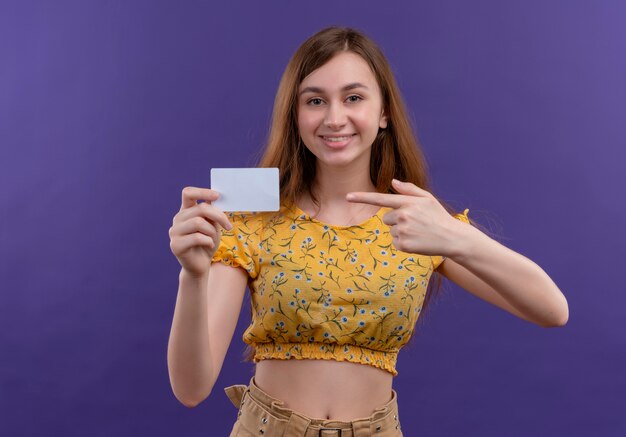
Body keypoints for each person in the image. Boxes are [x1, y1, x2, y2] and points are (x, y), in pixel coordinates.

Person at [167, 26, 568, 436]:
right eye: (315, 101)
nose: (334, 118)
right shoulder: (252, 220)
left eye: (353, 98)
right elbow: (191, 389)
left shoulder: (417, 222)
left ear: (384, 113)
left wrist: (457, 237)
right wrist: (192, 275)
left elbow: (552, 309)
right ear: (295, 113)